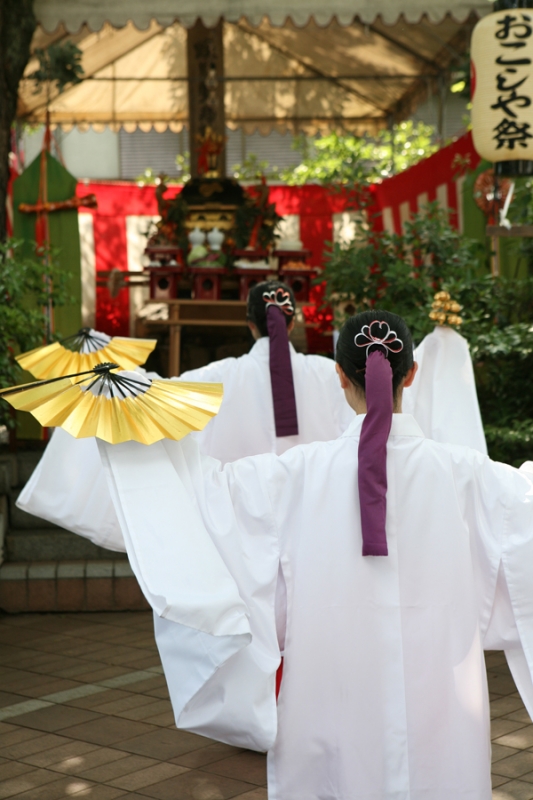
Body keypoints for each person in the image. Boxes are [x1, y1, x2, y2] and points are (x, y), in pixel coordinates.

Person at [93, 309, 533, 800]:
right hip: (442, 696)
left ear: (339, 375)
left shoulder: (292, 476)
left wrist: (129, 408)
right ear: (412, 372)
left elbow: (204, 498)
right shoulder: (472, 477)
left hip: (330, 689)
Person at [17, 280, 353, 548]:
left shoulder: (220, 377)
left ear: (249, 324)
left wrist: (113, 373)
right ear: (293, 321)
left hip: (240, 520)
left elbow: (155, 397)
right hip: (313, 514)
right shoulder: (331, 376)